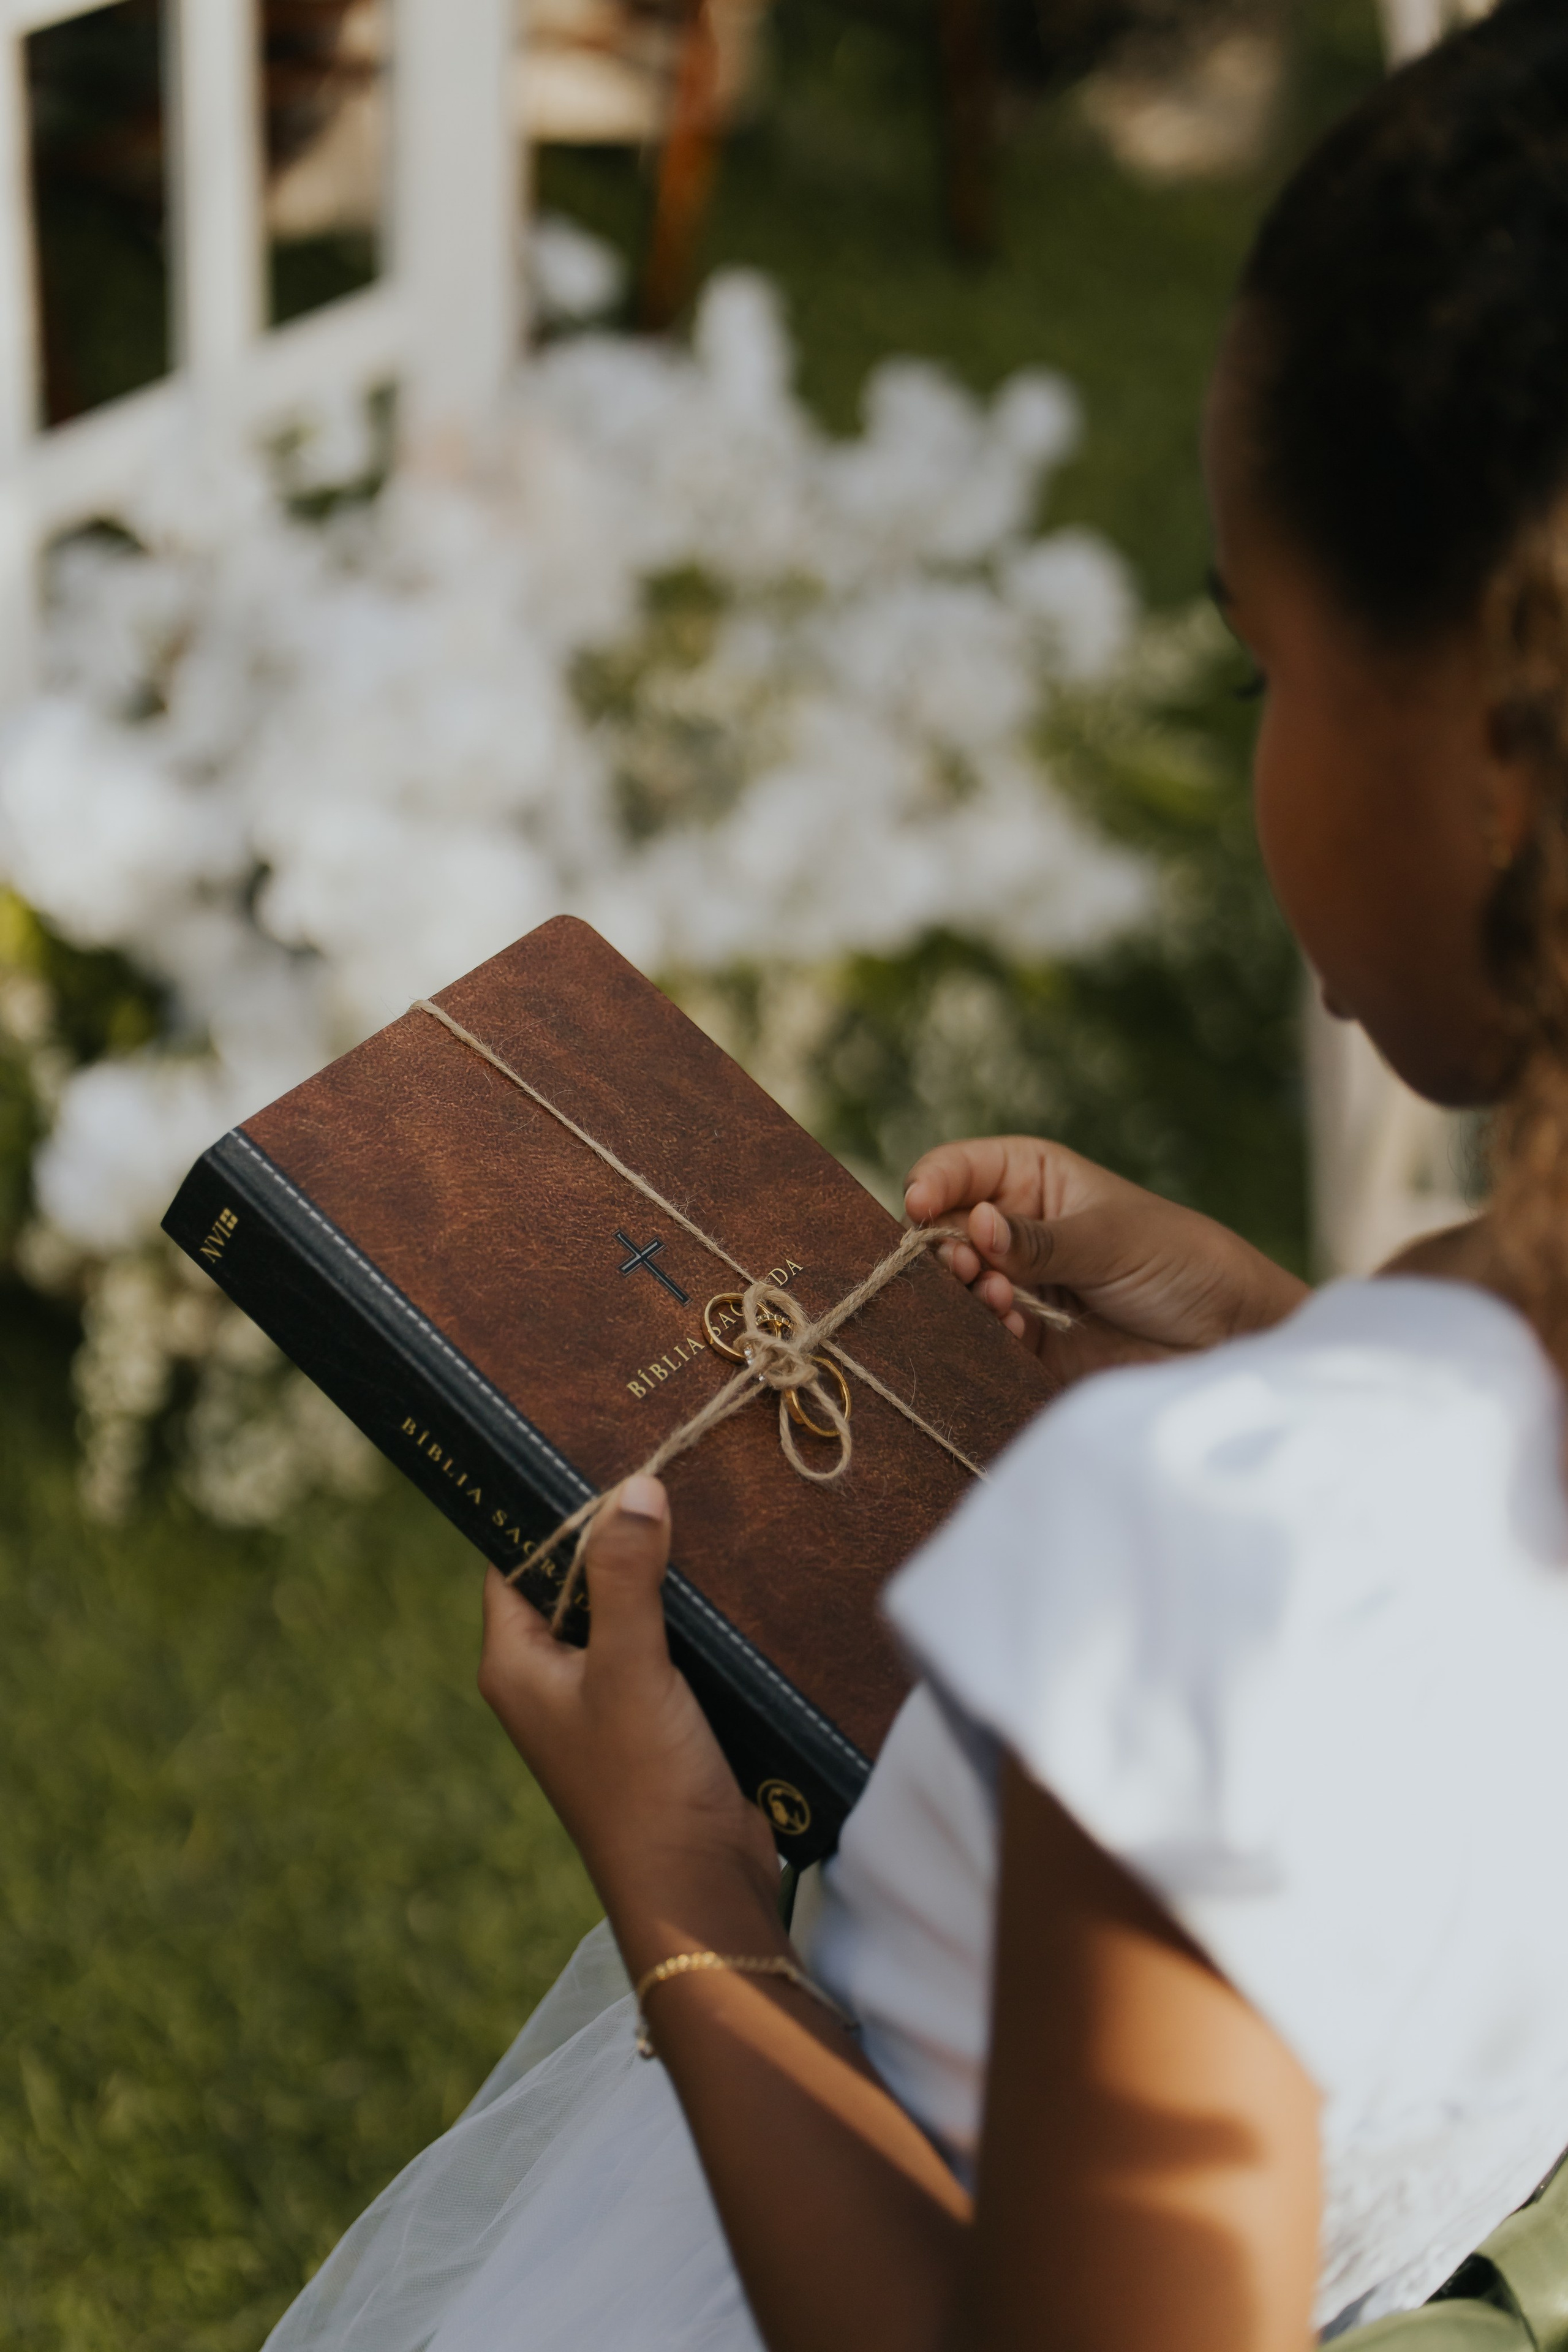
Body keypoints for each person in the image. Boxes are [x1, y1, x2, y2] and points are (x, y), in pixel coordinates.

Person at [264, 4, 1568, 2345]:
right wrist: (1278, 1338)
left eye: (1263, 665)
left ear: (1502, 743)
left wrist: (688, 1899)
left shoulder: (1215, 1563)